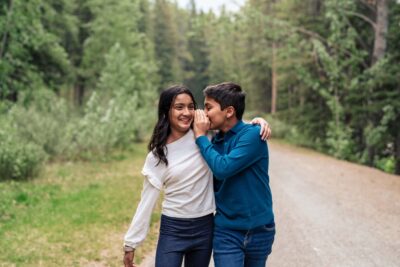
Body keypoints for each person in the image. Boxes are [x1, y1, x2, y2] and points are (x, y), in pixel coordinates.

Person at [123, 85, 271, 267]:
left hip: (207, 227)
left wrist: (256, 122)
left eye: (192, 107)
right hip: (176, 228)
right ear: (166, 111)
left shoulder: (207, 139)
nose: (187, 112)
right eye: (179, 107)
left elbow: (230, 126)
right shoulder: (158, 155)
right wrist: (131, 242)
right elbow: (146, 201)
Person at [193, 82, 275, 267]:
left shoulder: (254, 135)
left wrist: (200, 137)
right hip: (227, 231)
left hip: (260, 229)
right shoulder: (214, 140)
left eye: (208, 107)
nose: (204, 113)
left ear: (229, 111)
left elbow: (223, 169)